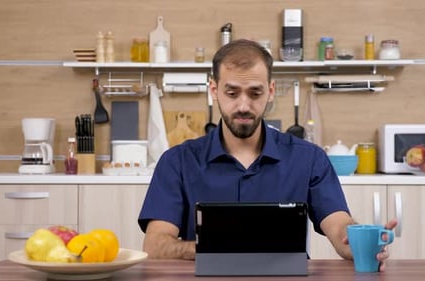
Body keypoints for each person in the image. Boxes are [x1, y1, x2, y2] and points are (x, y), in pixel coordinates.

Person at [138, 39, 397, 268]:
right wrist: (217, 249)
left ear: (270, 91)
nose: (243, 105)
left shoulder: (309, 159)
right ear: (214, 90)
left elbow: (339, 224)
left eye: (255, 93)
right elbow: (155, 245)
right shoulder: (177, 162)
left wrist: (359, 241)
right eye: (231, 93)